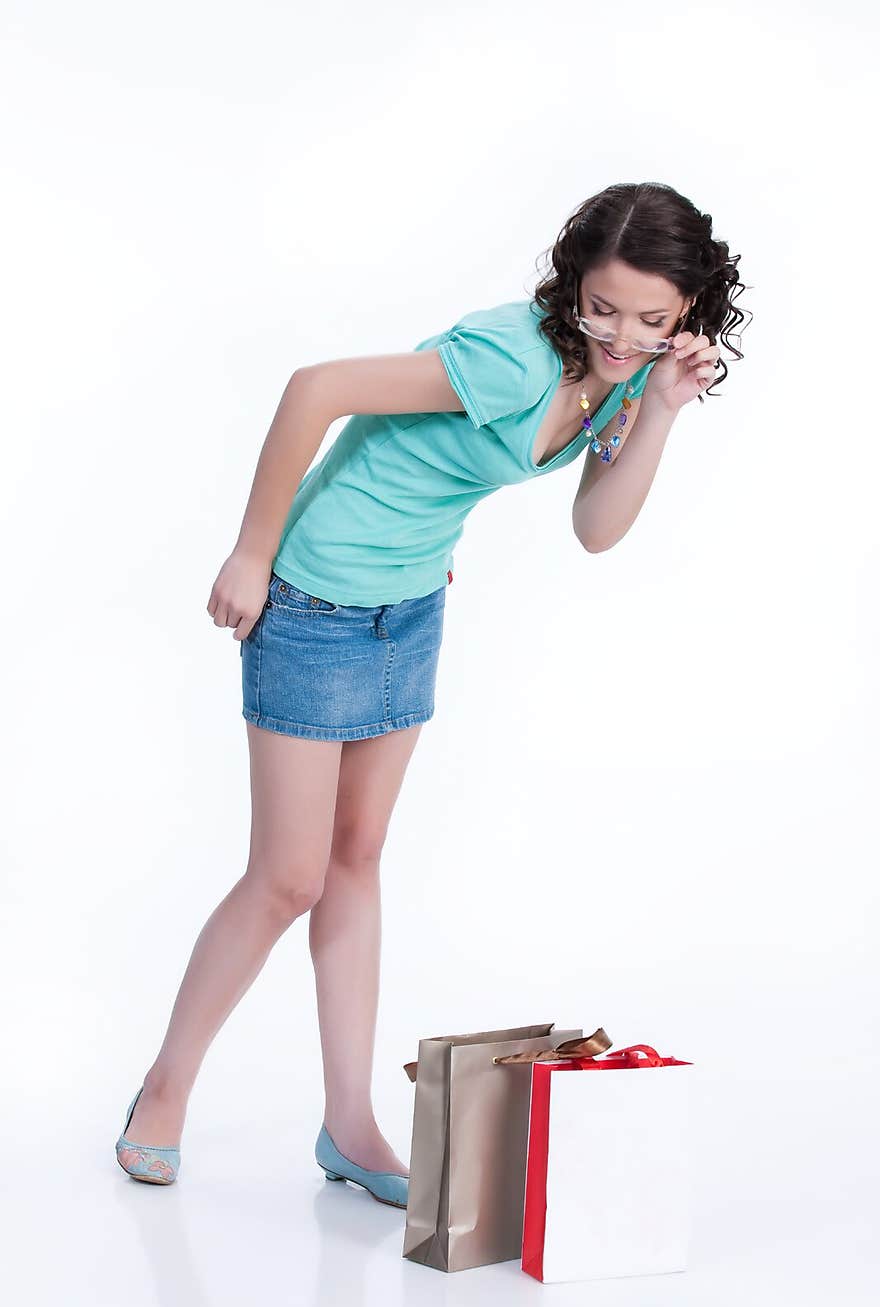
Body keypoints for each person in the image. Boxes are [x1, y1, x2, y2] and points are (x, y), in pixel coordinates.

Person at [114, 180, 748, 1204]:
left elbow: (595, 526)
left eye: (651, 318)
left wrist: (663, 410)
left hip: (408, 607)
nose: (622, 334)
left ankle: (349, 1126)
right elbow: (316, 388)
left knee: (357, 859)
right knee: (288, 876)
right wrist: (250, 551)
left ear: (687, 312)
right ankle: (163, 1089)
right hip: (314, 597)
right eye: (601, 306)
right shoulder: (512, 354)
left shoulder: (631, 378)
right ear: (570, 286)